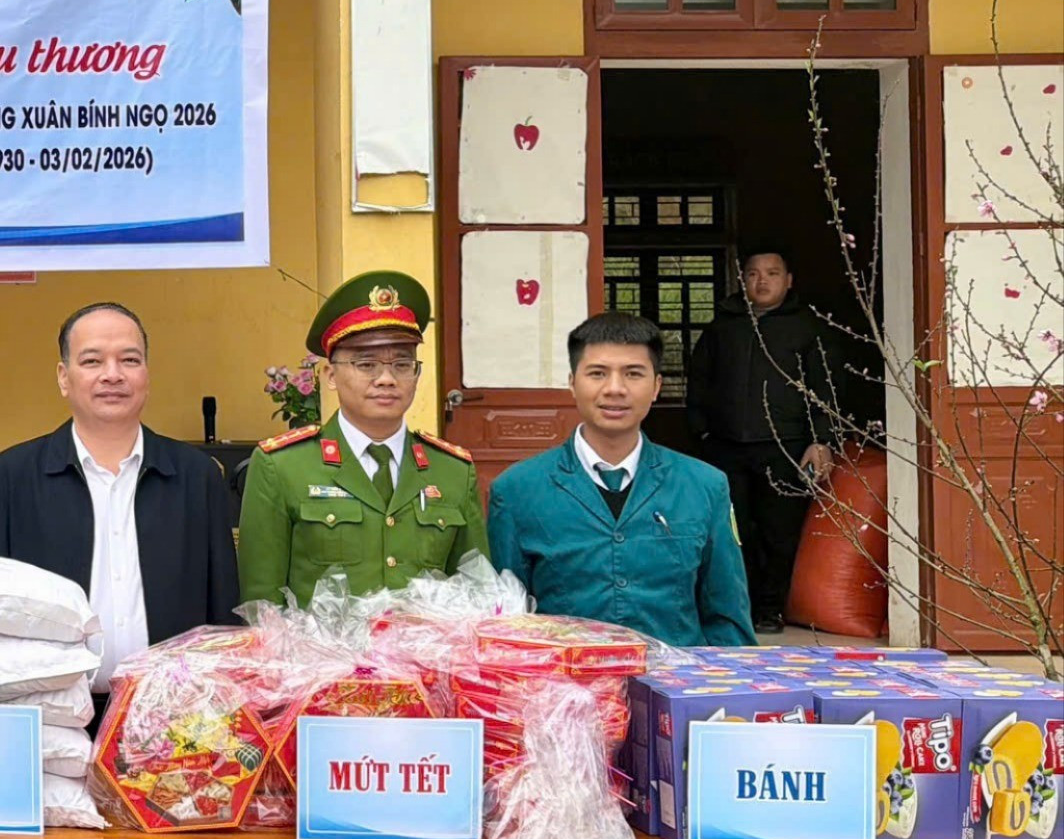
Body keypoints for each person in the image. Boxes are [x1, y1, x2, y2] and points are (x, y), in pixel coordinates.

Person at [0, 303, 241, 689]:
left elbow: (224, 612)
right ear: (64, 377)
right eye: (93, 361)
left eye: (129, 360)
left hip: (173, 716)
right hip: (53, 714)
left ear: (147, 375)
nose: (112, 375)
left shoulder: (197, 476)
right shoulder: (11, 476)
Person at [487, 313, 753, 647]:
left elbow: (727, 618)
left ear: (656, 386)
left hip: (677, 688)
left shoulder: (704, 486)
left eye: (633, 374)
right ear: (572, 382)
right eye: (597, 373)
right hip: (566, 691)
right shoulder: (516, 491)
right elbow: (506, 626)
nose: (615, 389)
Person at [238, 272, 485, 607]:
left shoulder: (452, 470)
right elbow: (261, 605)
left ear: (417, 373)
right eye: (366, 364)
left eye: (401, 363)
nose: (385, 379)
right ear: (330, 375)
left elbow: (477, 594)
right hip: (319, 659)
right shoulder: (282, 467)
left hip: (423, 658)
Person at [686, 242, 844, 633]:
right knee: (731, 530)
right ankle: (733, 605)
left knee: (779, 532)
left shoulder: (808, 329)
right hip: (725, 446)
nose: (762, 281)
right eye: (754, 274)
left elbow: (826, 387)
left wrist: (821, 439)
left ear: (788, 281)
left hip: (786, 446)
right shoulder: (722, 326)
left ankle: (771, 608)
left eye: (772, 273)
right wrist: (702, 430)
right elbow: (699, 382)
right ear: (743, 280)